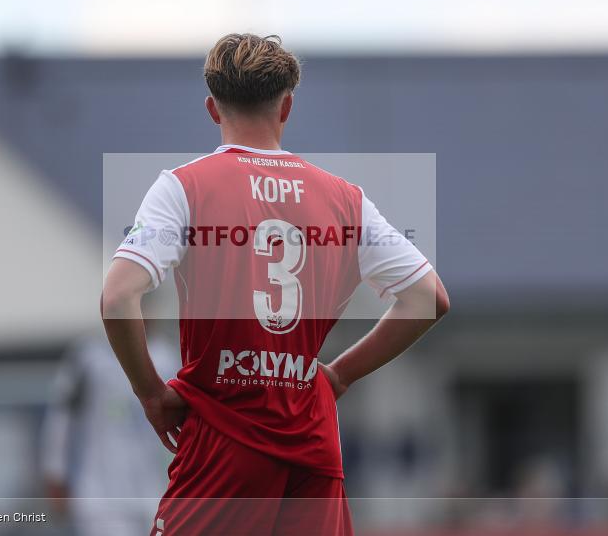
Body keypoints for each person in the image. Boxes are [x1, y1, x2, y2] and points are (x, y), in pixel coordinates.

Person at [101, 33, 450, 536]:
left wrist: (151, 394)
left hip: (224, 441)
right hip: (311, 443)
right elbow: (429, 297)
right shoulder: (344, 199)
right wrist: (340, 374)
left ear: (211, 109)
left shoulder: (183, 187)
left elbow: (117, 297)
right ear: (286, 106)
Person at [41, 328, 179, 536]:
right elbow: (62, 418)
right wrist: (56, 472)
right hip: (100, 496)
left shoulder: (166, 357)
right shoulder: (88, 358)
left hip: (154, 490)